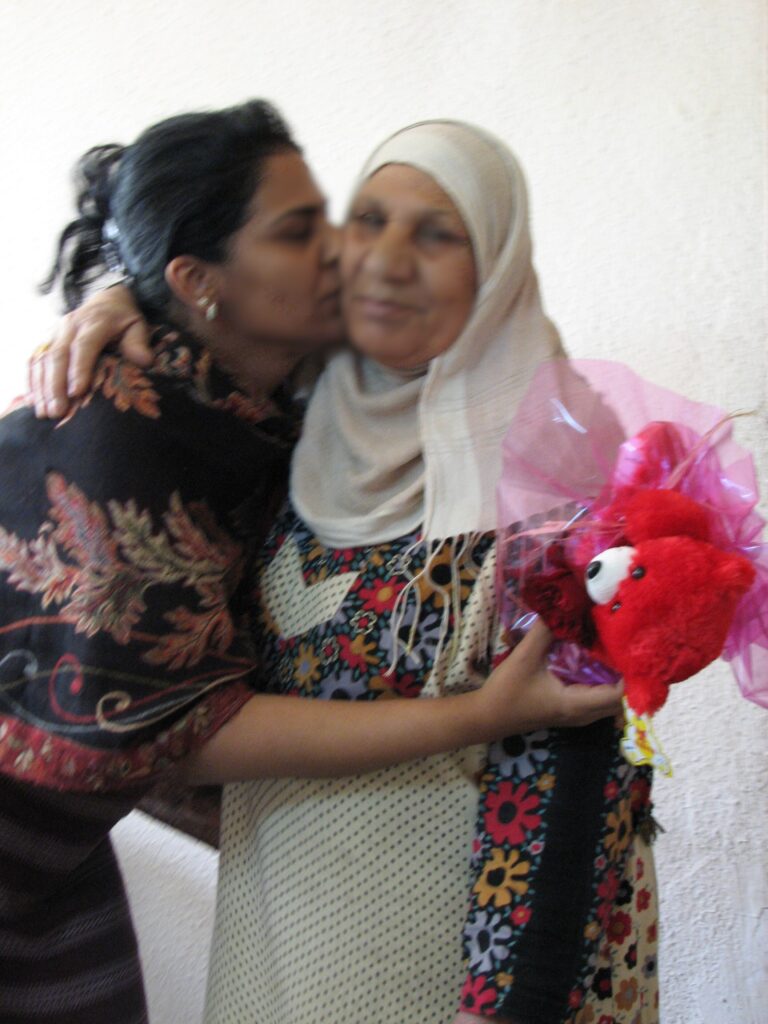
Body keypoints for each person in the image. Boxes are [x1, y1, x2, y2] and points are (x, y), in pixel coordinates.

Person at [1, 103, 622, 1024]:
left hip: (81, 875)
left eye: (437, 231)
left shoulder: (307, 407)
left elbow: (580, 739)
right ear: (198, 279)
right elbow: (192, 725)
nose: (354, 254)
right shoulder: (164, 422)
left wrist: (123, 293)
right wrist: (477, 716)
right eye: (319, 229)